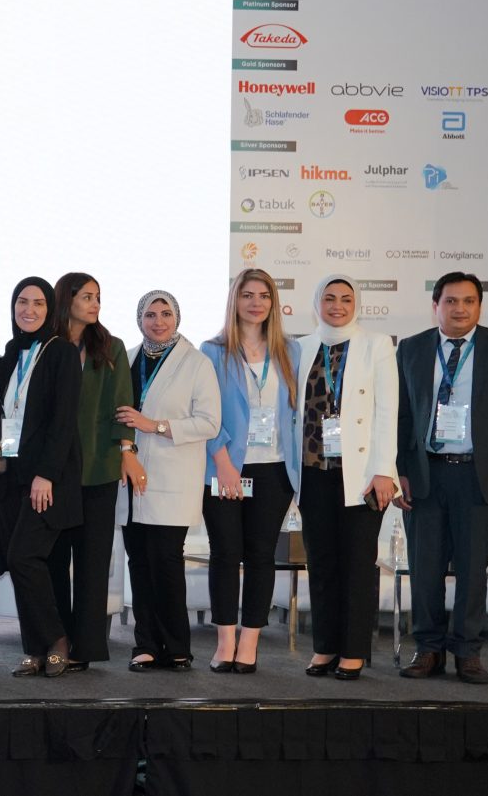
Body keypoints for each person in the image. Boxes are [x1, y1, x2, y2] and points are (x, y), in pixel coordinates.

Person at [396, 271, 488, 685]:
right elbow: (399, 415)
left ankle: (467, 652)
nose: (460, 309)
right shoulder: (411, 348)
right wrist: (398, 470)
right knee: (425, 569)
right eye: (451, 301)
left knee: (472, 571)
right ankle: (428, 649)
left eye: (469, 301)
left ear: (479, 305)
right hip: (424, 476)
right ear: (435, 305)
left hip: (481, 477)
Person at [293, 275, 396, 681]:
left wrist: (384, 470)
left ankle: (353, 651)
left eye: (346, 299)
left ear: (357, 304)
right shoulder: (300, 347)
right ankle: (325, 646)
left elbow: (387, 411)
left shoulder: (376, 344)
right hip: (313, 471)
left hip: (363, 477)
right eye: (329, 298)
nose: (337, 305)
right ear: (316, 303)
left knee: (357, 565)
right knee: (320, 563)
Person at [113, 290, 221, 672]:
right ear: (139, 319)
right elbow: (115, 415)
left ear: (177, 317)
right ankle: (145, 645)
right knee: (139, 563)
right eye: (150, 315)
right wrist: (127, 445)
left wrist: (154, 425)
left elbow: (209, 422)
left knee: (166, 562)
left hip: (172, 478)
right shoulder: (126, 360)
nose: (158, 321)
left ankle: (177, 647)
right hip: (130, 478)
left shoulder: (196, 363)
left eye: (165, 314)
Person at [0, 276, 82, 677]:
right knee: (18, 560)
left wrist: (46, 475)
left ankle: (57, 639)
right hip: (9, 475)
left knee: (23, 556)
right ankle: (34, 649)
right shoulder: (9, 353)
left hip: (44, 478)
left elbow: (63, 421)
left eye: (38, 303)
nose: (29, 310)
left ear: (50, 309)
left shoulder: (61, 353)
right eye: (22, 302)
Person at [199, 269, 298, 674]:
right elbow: (205, 411)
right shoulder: (213, 351)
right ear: (234, 301)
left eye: (264, 295)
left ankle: (250, 643)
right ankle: (225, 642)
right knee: (225, 554)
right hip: (225, 467)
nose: (256, 303)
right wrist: (223, 463)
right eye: (247, 295)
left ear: (273, 303)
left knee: (261, 556)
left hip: (274, 470)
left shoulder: (290, 351)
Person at [52, 271, 138, 670]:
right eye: (87, 296)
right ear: (66, 299)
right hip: (53, 473)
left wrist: (127, 450)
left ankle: (85, 649)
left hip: (100, 471)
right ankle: (55, 642)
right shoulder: (47, 345)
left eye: (97, 297)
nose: (95, 304)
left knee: (92, 563)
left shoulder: (111, 346)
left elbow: (123, 404)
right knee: (53, 562)